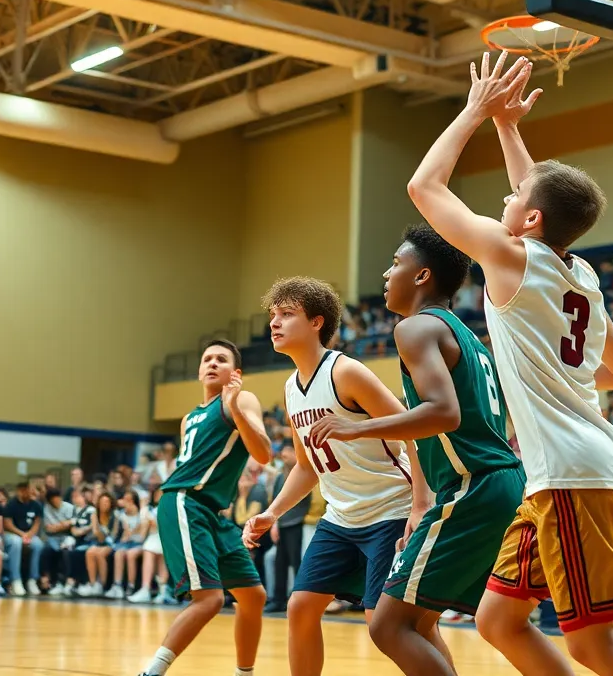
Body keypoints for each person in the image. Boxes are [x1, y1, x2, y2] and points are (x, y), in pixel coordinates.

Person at [407, 52, 613, 676]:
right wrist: (508, 129)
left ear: (531, 220)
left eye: (514, 198)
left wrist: (475, 111)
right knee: (497, 619)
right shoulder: (583, 275)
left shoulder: (508, 257)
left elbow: (423, 188)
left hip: (573, 472)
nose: (507, 198)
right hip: (567, 470)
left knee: (594, 645)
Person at [309, 224, 527, 676]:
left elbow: (443, 413)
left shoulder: (414, 328)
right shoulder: (464, 334)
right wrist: (423, 503)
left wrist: (356, 429)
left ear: (423, 275)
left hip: (474, 484)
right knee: (424, 619)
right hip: (495, 482)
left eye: (395, 263)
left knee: (388, 626)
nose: (387, 274)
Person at [242, 276, 434, 676]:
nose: (274, 323)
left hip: (390, 512)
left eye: (287, 314)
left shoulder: (347, 372)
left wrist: (420, 502)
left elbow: (413, 429)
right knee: (300, 607)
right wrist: (272, 513)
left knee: (387, 625)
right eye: (273, 315)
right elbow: (307, 465)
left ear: (316, 322)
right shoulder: (291, 389)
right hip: (340, 519)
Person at [138, 340, 271, 676]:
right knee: (210, 599)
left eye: (221, 359)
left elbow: (263, 453)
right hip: (184, 500)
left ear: (235, 373)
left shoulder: (241, 399)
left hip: (210, 511)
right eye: (207, 359)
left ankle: (245, 672)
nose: (212, 363)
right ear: (200, 370)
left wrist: (235, 409)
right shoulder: (188, 418)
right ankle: (152, 671)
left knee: (253, 596)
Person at [265, 443, 308, 613]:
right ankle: (278, 599)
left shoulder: (305, 472)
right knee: (279, 563)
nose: (284, 454)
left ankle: (298, 601)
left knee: (297, 563)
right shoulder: (279, 476)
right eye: (283, 452)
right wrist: (274, 524)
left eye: (289, 451)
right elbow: (275, 501)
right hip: (282, 524)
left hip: (298, 523)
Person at [3, 480, 45, 596]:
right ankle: (16, 580)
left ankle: (32, 579)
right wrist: (22, 534)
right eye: (26, 490)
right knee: (16, 543)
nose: (29, 492)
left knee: (38, 544)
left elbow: (37, 522)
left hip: (29, 534)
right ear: (20, 491)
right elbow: (7, 524)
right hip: (12, 534)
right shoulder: (11, 504)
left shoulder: (36, 504)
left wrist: (30, 534)